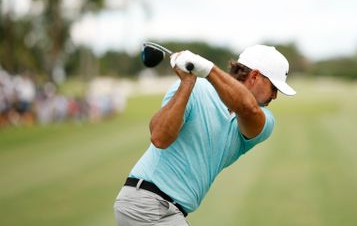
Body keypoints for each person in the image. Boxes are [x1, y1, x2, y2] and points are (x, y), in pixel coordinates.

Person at [114, 44, 296, 225]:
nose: (275, 96)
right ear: (255, 76)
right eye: (273, 88)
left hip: (170, 211)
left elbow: (246, 108)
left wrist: (207, 69)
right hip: (145, 203)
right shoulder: (196, 88)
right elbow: (160, 138)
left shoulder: (264, 119)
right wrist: (187, 84)